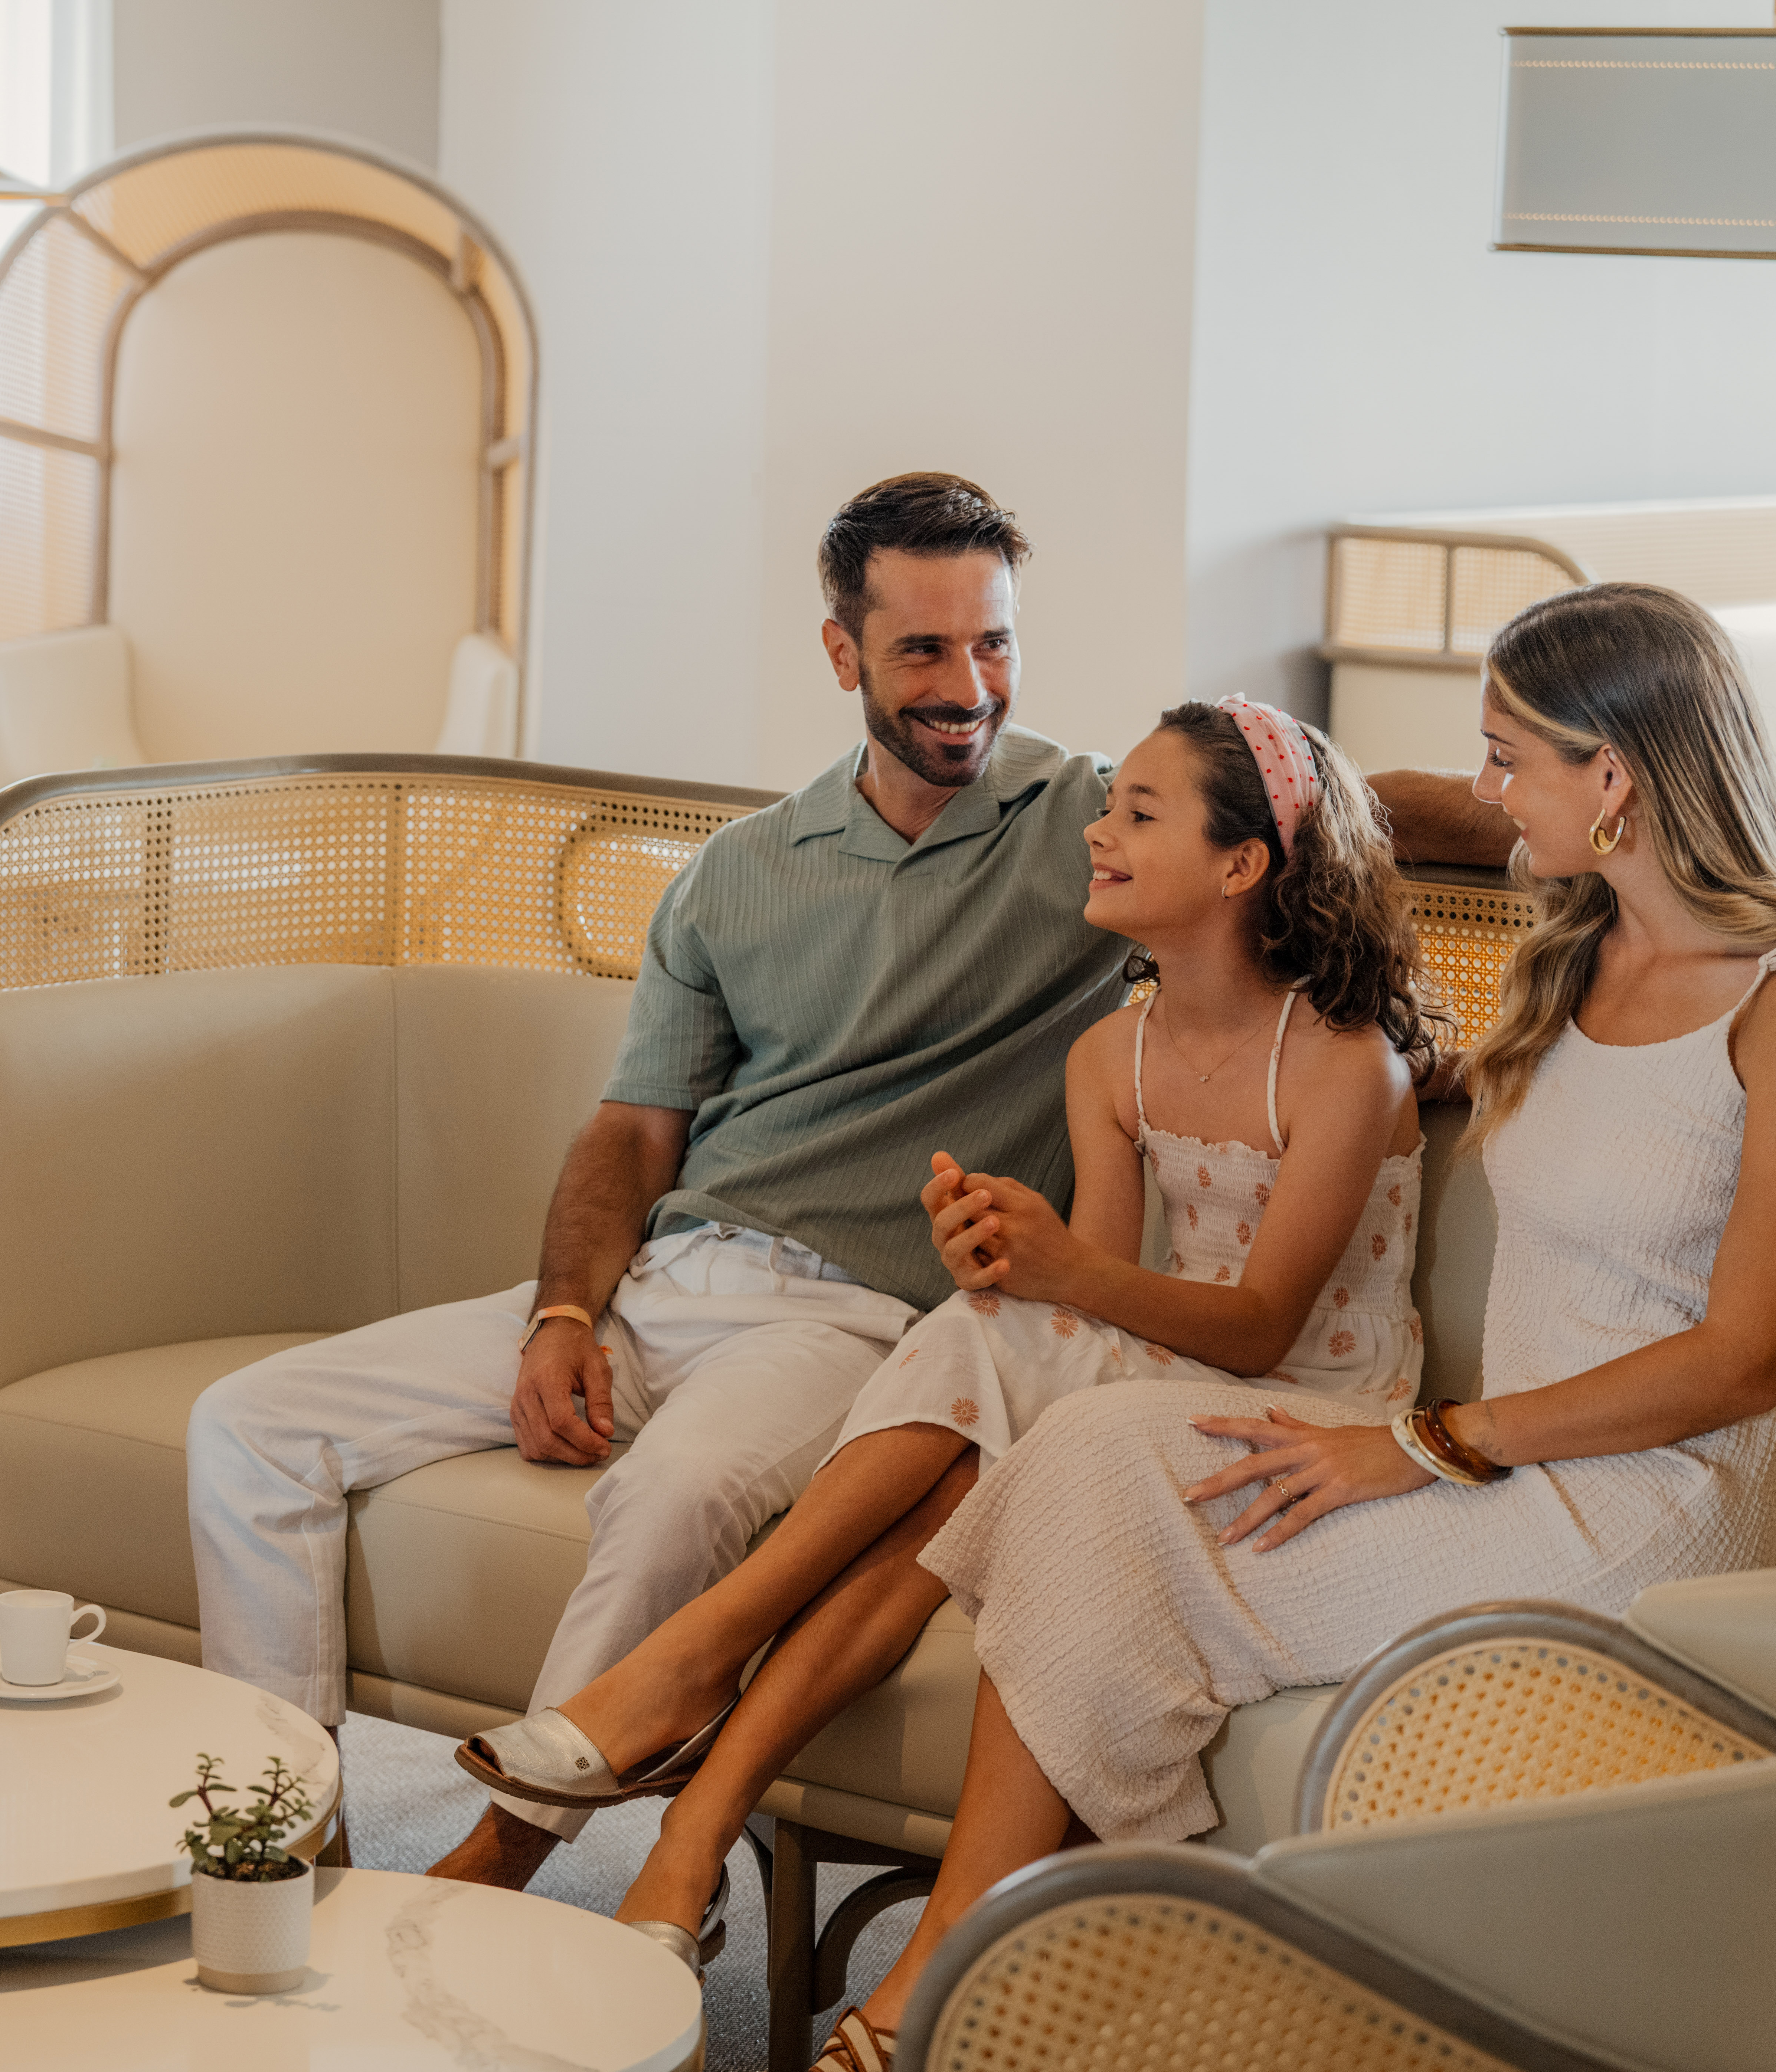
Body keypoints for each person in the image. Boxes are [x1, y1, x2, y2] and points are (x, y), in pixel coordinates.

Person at [183, 472, 1478, 1888]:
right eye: (924, 649)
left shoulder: (1086, 830)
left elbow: (1312, 812)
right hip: (671, 1279)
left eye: (994, 643)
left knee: (673, 1494)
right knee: (249, 1428)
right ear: (842, 651)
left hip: (854, 1319)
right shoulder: (736, 874)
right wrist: (564, 1315)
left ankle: (511, 1859)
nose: (968, 685)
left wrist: (1539, 845)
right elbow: (631, 1132)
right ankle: (282, 1864)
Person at [803, 580, 1776, 2071]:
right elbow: (1390, 831)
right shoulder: (1575, 951)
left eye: (1510, 755)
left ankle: (979, 1987)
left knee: (1122, 1499)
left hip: (1641, 1512)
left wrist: (1432, 1440)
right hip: (1495, 1474)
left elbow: (1745, 1358)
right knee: (1090, 1456)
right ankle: (976, 1958)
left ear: (1617, 779)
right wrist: (1392, 1071)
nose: (1483, 788)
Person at [476, 695, 1448, 1973]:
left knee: (995, 1341)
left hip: (1312, 1404)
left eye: (1137, 815)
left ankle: (681, 1682)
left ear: (1242, 864)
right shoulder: (1113, 1053)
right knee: (972, 1387)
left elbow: (1263, 1328)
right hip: (1160, 1374)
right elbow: (1088, 1284)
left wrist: (1051, 1278)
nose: (1097, 832)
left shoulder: (1343, 1063)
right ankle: (689, 1838)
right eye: (1108, 807)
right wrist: (1006, 1257)